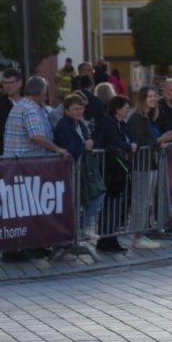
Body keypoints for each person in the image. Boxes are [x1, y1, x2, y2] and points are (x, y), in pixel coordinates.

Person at [127, 85, 172, 250]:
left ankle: (141, 234)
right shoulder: (136, 118)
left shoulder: (147, 118)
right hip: (141, 166)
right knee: (140, 201)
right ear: (142, 99)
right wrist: (159, 141)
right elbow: (139, 142)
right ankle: (137, 236)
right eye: (149, 96)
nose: (153, 99)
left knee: (146, 202)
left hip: (151, 164)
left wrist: (159, 143)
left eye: (155, 96)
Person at [54, 93, 103, 240]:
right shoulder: (63, 126)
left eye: (81, 108)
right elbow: (70, 148)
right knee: (73, 202)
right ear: (67, 111)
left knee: (97, 194)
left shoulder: (81, 124)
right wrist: (84, 146)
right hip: (69, 170)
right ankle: (72, 235)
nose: (79, 111)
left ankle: (81, 227)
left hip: (84, 169)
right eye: (75, 109)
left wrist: (91, 143)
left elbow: (89, 141)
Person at [96, 95, 136, 253]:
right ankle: (106, 239)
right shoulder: (108, 122)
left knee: (116, 204)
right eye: (126, 108)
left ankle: (111, 238)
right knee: (110, 204)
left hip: (118, 168)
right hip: (110, 168)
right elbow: (112, 142)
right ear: (117, 108)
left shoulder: (121, 124)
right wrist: (128, 146)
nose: (127, 111)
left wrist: (131, 144)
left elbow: (129, 138)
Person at [3, 76, 69, 159]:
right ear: (41, 93)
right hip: (24, 162)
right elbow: (37, 136)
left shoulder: (21, 106)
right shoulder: (29, 110)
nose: (46, 96)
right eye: (45, 92)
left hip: (17, 161)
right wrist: (57, 149)